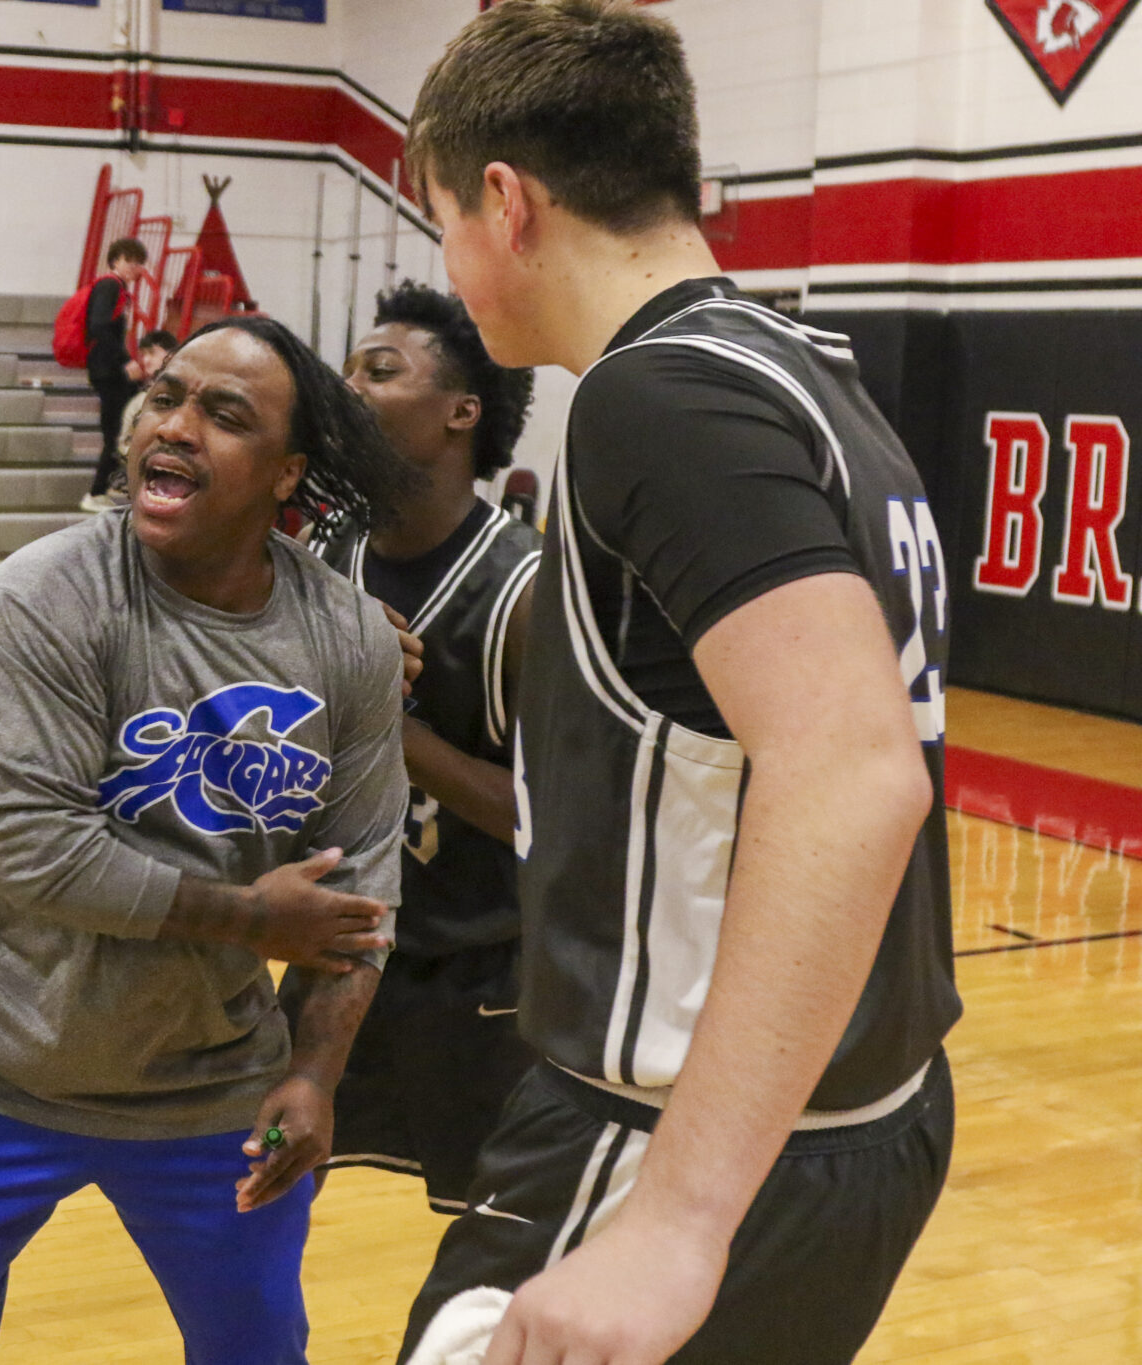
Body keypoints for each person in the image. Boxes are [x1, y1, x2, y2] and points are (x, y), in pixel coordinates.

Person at [396, 6, 959, 1364]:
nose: (451, 271)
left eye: (443, 224)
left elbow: (852, 774)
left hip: (676, 1134)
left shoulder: (658, 398)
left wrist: (676, 1218)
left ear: (507, 204)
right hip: (841, 1112)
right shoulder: (805, 372)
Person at [0, 315, 420, 1365]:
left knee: (258, 1353)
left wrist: (315, 1073)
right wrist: (250, 917)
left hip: (213, 1086)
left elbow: (364, 886)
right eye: (164, 396)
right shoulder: (47, 593)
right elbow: (33, 850)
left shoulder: (346, 637)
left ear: (286, 473)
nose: (176, 425)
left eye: (225, 414)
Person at [288, 282, 540, 1228]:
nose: (348, 385)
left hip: (476, 974)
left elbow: (552, 821)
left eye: (380, 370)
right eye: (349, 367)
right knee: (260, 1187)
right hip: (333, 945)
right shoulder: (323, 555)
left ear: (460, 413)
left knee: (497, 1240)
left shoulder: (526, 589)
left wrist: (390, 728)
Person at [78, 236, 149, 513]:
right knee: (116, 431)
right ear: (115, 261)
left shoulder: (117, 288)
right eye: (130, 261)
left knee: (122, 427)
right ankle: (96, 492)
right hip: (108, 369)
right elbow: (98, 326)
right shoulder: (110, 285)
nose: (136, 267)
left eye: (139, 263)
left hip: (109, 368)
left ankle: (105, 487)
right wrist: (125, 360)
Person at [118, 327, 179, 447]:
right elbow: (125, 441)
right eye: (144, 354)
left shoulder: (183, 391)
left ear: (171, 354)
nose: (146, 360)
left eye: (152, 353)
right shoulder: (140, 397)